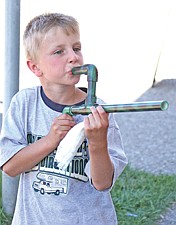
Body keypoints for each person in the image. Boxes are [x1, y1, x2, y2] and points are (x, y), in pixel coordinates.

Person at [0, 13, 128, 225]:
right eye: (59, 51)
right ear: (35, 67)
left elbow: (103, 183)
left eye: (76, 48)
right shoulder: (24, 104)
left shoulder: (98, 110)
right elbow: (10, 167)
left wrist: (97, 142)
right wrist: (51, 140)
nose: (73, 57)